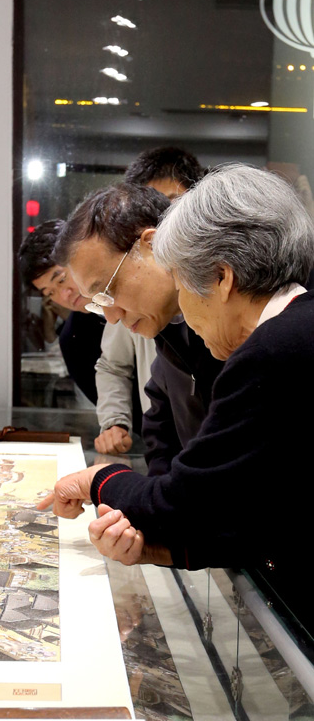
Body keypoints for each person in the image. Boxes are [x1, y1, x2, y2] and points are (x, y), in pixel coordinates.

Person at [40, 164, 314, 630]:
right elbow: (248, 511)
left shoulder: (271, 351)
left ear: (221, 277)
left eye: (183, 283)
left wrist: (99, 480)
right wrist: (156, 545)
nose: (183, 306)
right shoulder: (289, 334)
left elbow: (190, 502)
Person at [53, 182, 224, 476]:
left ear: (152, 245)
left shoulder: (231, 327)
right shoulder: (167, 330)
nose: (112, 318)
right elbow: (161, 434)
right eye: (98, 303)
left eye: (108, 290)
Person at [95, 146, 205, 456]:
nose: (162, 222)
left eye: (171, 203)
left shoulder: (215, 288)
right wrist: (115, 421)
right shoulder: (130, 299)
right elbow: (114, 366)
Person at [18, 220, 105, 405]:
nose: (64, 295)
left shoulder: (130, 296)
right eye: (50, 293)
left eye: (61, 279)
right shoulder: (72, 341)